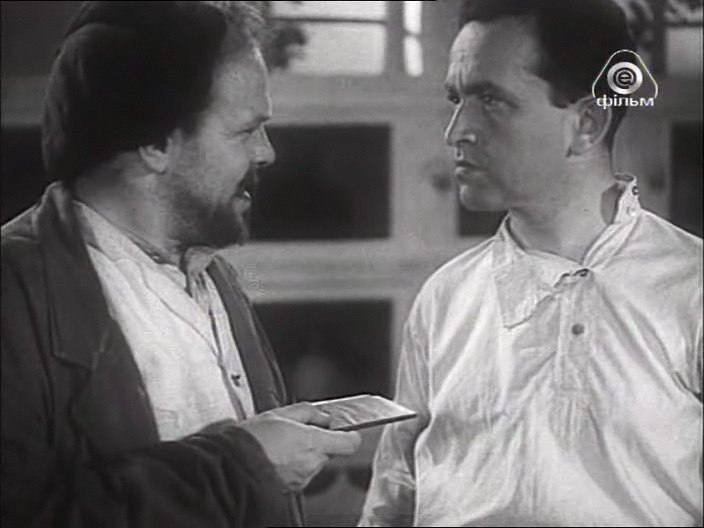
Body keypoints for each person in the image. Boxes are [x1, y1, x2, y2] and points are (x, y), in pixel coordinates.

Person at [1, 2, 360, 527]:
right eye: (245, 131)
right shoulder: (15, 296)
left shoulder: (215, 279)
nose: (267, 153)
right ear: (154, 143)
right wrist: (244, 466)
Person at [359, 0, 702, 526]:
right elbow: (393, 499)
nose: (456, 131)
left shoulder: (691, 288)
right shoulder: (445, 297)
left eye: (491, 100)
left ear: (587, 123)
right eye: (456, 99)